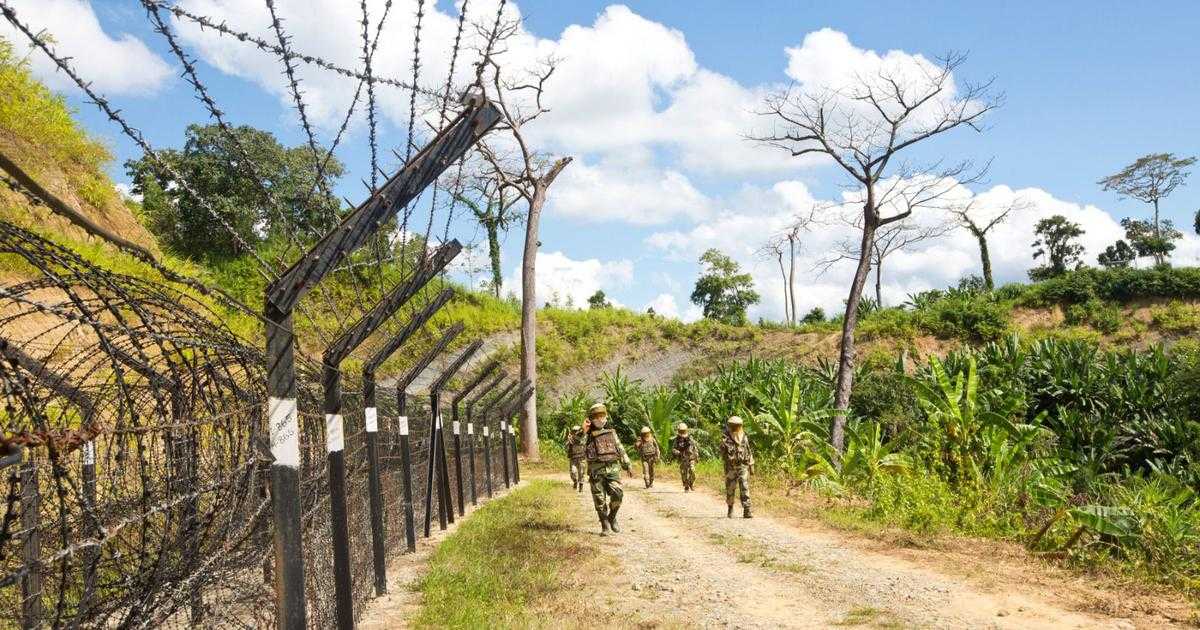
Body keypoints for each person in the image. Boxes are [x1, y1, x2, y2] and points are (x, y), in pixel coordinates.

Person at [584, 403, 631, 535]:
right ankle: (605, 524)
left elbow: (619, 447)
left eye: (602, 416)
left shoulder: (611, 432)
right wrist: (583, 431)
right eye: (597, 416)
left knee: (618, 493)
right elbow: (576, 446)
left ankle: (612, 516)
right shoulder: (587, 435)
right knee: (599, 500)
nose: (600, 419)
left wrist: (627, 464)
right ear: (591, 418)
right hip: (596, 471)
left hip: (613, 469)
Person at [719, 415, 754, 518]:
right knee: (730, 488)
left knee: (744, 486)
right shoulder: (725, 437)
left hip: (743, 466)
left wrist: (751, 465)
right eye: (733, 425)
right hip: (730, 467)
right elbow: (722, 452)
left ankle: (747, 510)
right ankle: (730, 508)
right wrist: (723, 445)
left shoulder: (744, 436)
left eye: (736, 425)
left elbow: (748, 451)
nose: (735, 427)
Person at [671, 421, 699, 492]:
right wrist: (679, 452)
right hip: (683, 459)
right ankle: (686, 486)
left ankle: (691, 483)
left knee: (693, 472)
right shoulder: (677, 440)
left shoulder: (690, 438)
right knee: (684, 474)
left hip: (691, 458)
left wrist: (697, 457)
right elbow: (673, 449)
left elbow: (695, 448)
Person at [565, 425, 587, 492]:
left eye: (575, 431)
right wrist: (568, 440)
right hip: (573, 458)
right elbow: (566, 447)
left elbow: (582, 442)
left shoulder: (584, 437)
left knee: (581, 473)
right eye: (573, 431)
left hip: (581, 458)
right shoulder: (571, 438)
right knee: (573, 472)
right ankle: (575, 481)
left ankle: (581, 486)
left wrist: (574, 438)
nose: (574, 432)